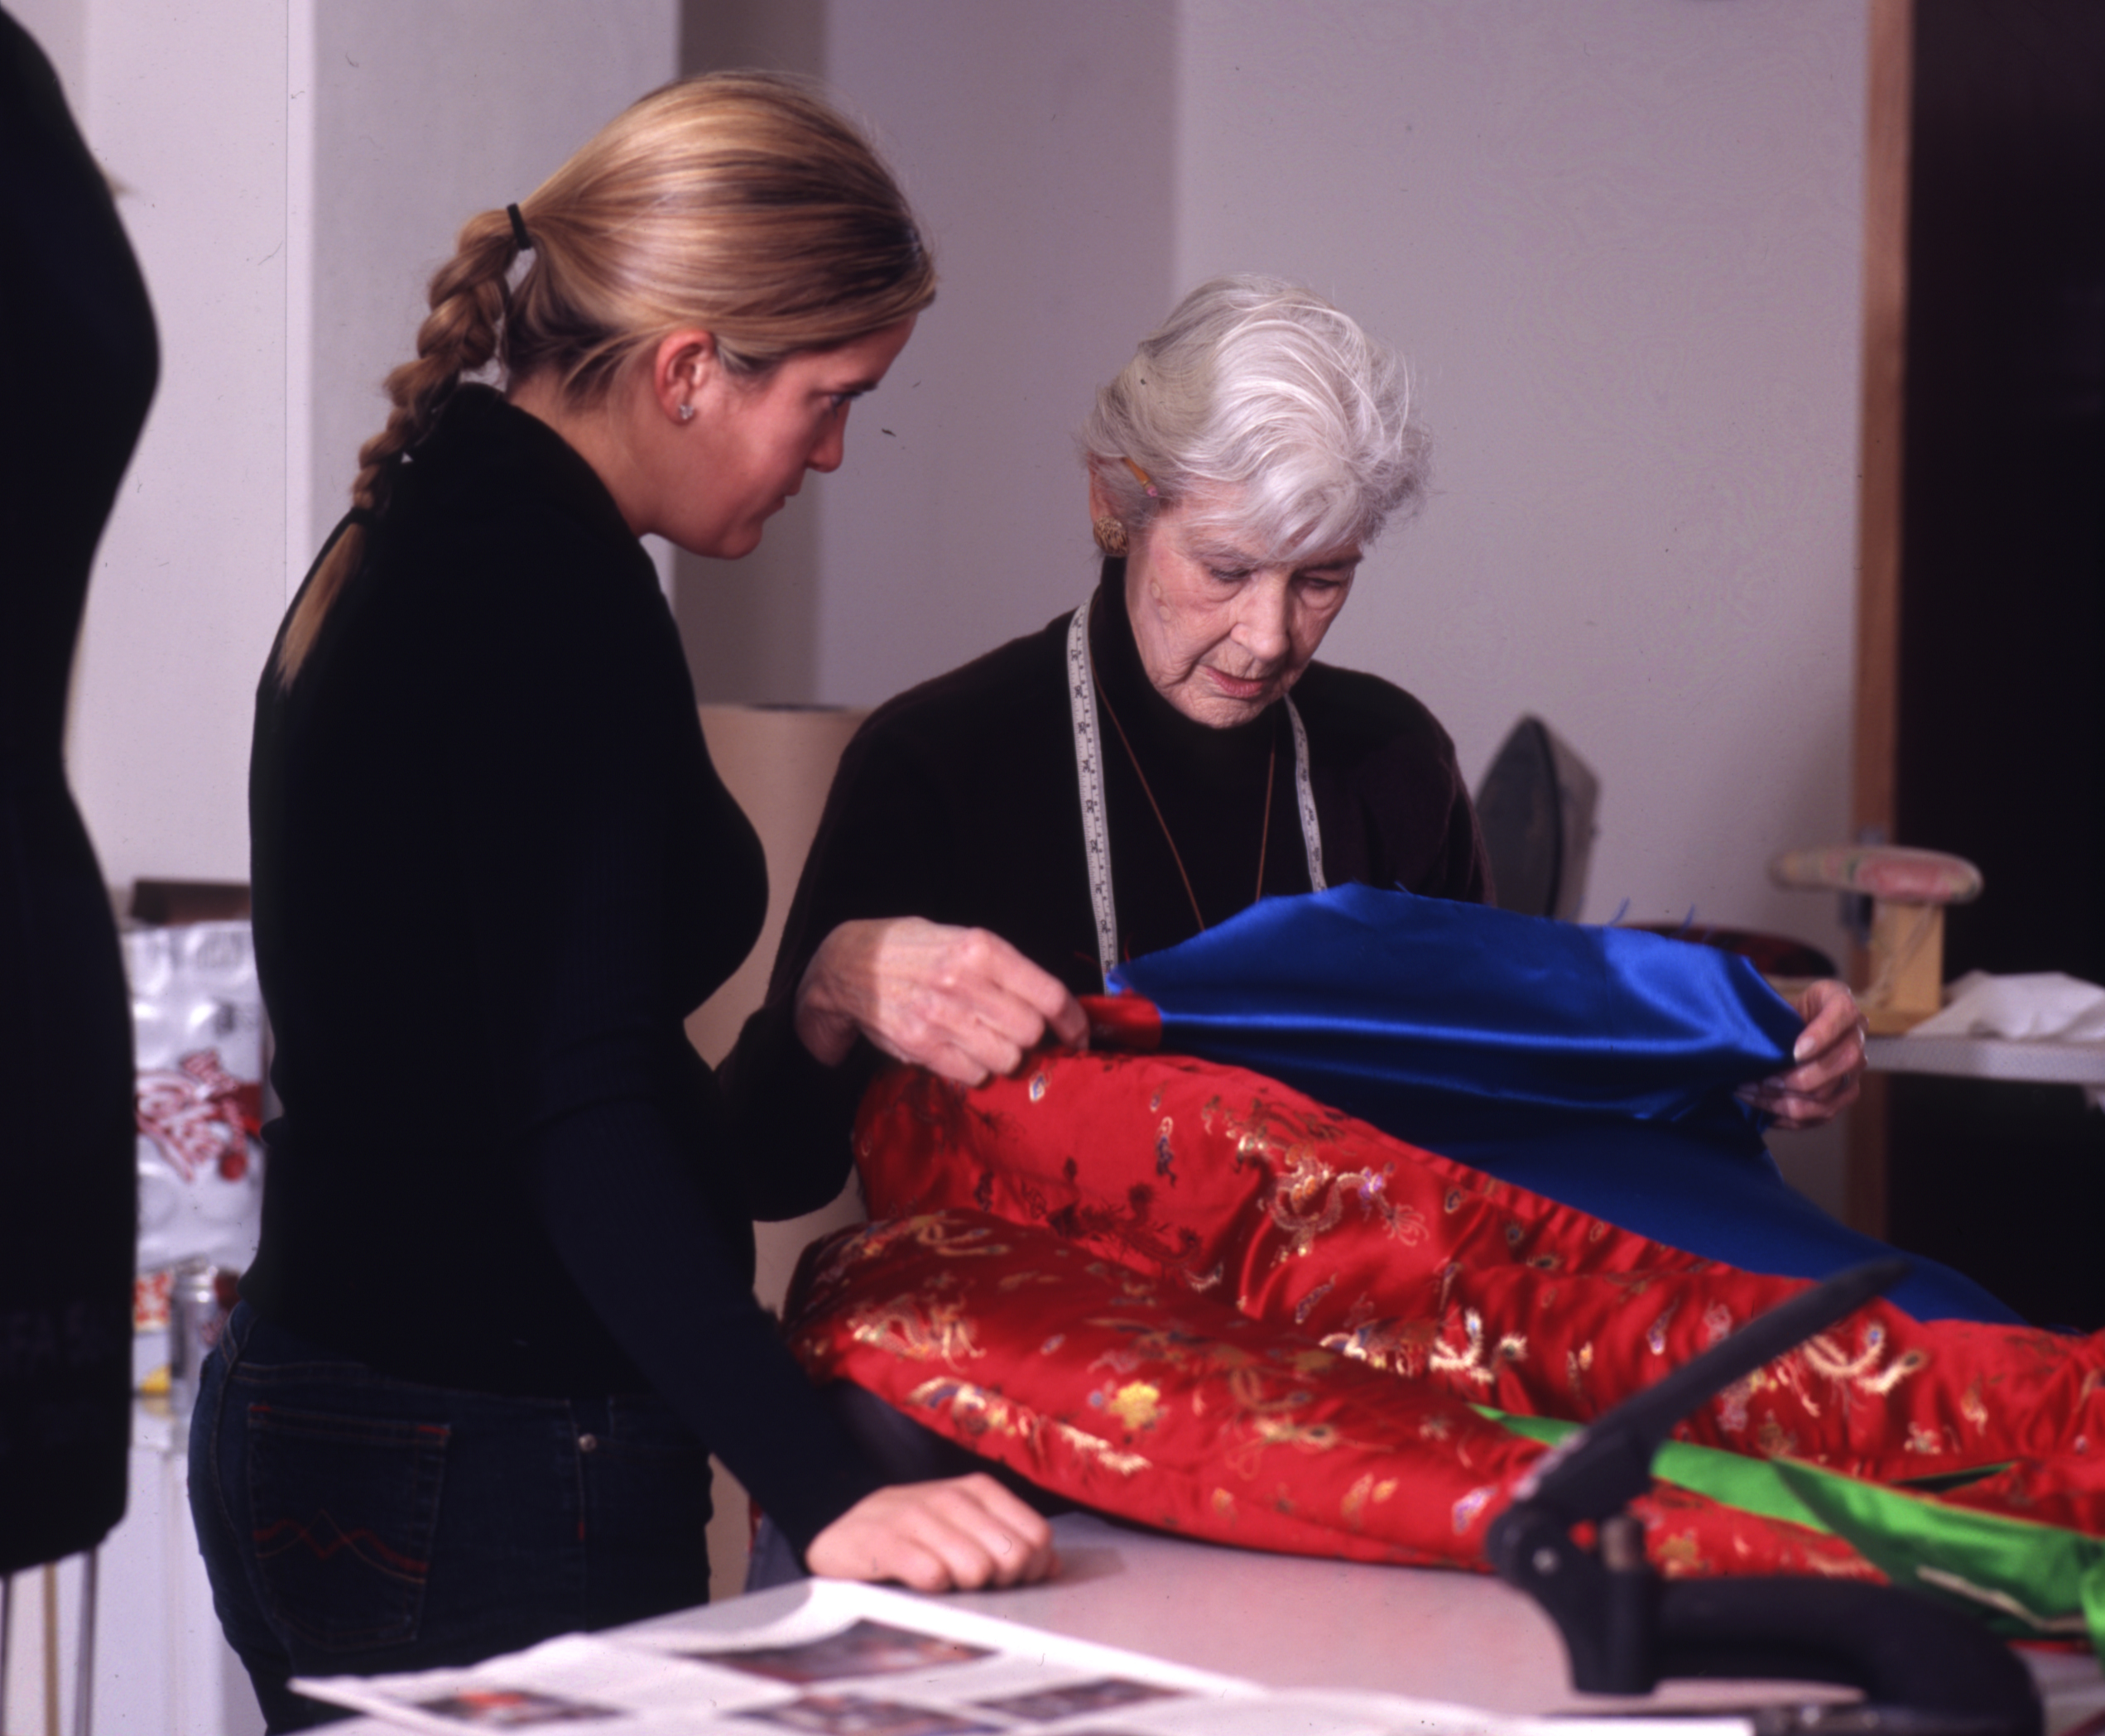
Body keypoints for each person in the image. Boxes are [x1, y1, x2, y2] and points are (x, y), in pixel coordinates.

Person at [191, 73, 1050, 1734]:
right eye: (827, 396)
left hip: (351, 1400)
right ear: (685, 368)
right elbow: (572, 1115)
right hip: (482, 1444)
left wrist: (818, 1000)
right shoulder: (548, 590)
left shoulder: (431, 512)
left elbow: (541, 1085)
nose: (837, 451)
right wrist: (823, 1482)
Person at [723, 276, 1864, 1188]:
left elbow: (1503, 1090)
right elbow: (765, 1165)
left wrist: (1745, 1049)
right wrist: (830, 987)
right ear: (1114, 504)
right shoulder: (937, 763)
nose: (1268, 637)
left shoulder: (1390, 761)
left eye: (1322, 579)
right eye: (1226, 570)